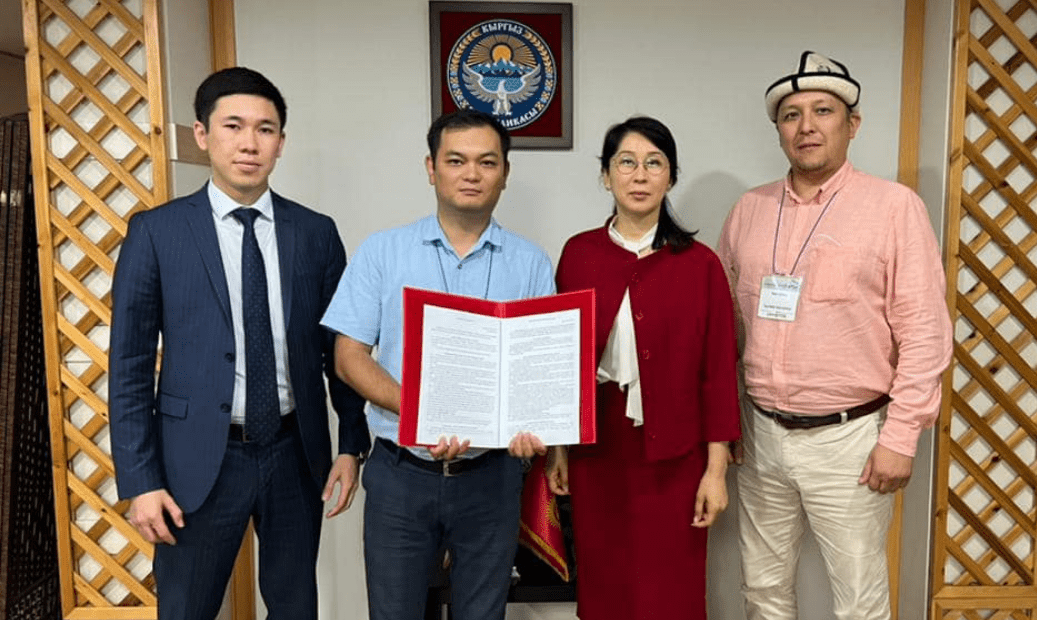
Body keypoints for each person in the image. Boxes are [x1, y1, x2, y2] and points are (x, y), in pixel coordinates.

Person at [109, 67, 371, 620]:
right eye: (233, 126)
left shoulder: (315, 232)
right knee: (187, 609)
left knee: (295, 607)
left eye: (265, 129)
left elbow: (339, 351)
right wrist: (141, 480)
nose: (249, 143)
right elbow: (129, 365)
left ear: (281, 142)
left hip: (294, 452)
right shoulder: (156, 232)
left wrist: (351, 444)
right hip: (195, 460)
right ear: (203, 135)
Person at [717, 51, 953, 620]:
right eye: (791, 115)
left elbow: (925, 331)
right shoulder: (750, 209)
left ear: (853, 124)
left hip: (852, 440)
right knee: (762, 591)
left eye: (823, 111)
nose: (807, 126)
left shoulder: (894, 207)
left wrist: (901, 438)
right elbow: (724, 325)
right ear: (779, 131)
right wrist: (726, 422)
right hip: (760, 433)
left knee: (859, 601)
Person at [320, 108, 555, 620]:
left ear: (505, 173)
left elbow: (536, 372)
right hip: (401, 475)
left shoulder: (531, 262)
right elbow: (348, 357)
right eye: (456, 160)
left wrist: (531, 424)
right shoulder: (383, 252)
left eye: (487, 162)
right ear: (431, 168)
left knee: (483, 614)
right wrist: (421, 412)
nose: (472, 174)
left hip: (492, 477)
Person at [547, 116, 741, 619]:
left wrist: (715, 470)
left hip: (677, 457)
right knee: (606, 588)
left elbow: (719, 372)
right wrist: (558, 448)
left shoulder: (699, 264)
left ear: (671, 176)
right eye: (626, 162)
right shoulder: (578, 254)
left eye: (654, 163)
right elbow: (560, 362)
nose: (639, 175)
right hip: (598, 451)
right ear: (605, 175)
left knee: (671, 592)